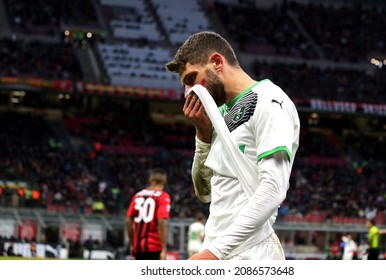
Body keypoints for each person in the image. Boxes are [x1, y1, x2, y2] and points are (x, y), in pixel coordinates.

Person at [165, 31, 300, 260]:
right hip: (216, 249)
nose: (188, 92)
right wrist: (203, 135)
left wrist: (215, 253)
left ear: (217, 62)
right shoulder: (219, 115)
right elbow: (204, 192)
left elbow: (274, 188)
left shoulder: (271, 101)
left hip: (253, 254)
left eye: (191, 79)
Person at [125, 168, 171, 260]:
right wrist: (164, 249)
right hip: (154, 247)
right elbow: (161, 222)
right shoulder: (163, 196)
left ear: (150, 181)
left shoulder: (138, 195)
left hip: (138, 247)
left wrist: (132, 244)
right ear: (164, 182)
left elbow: (128, 221)